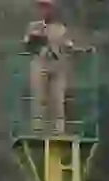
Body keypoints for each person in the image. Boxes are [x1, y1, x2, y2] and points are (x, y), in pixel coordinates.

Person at [24, 0, 80, 134]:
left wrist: (71, 48)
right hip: (40, 64)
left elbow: (69, 45)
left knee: (58, 97)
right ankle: (38, 125)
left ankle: (58, 127)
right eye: (41, 7)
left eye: (46, 7)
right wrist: (35, 39)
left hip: (58, 66)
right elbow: (27, 45)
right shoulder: (33, 26)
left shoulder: (60, 28)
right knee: (38, 95)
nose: (44, 10)